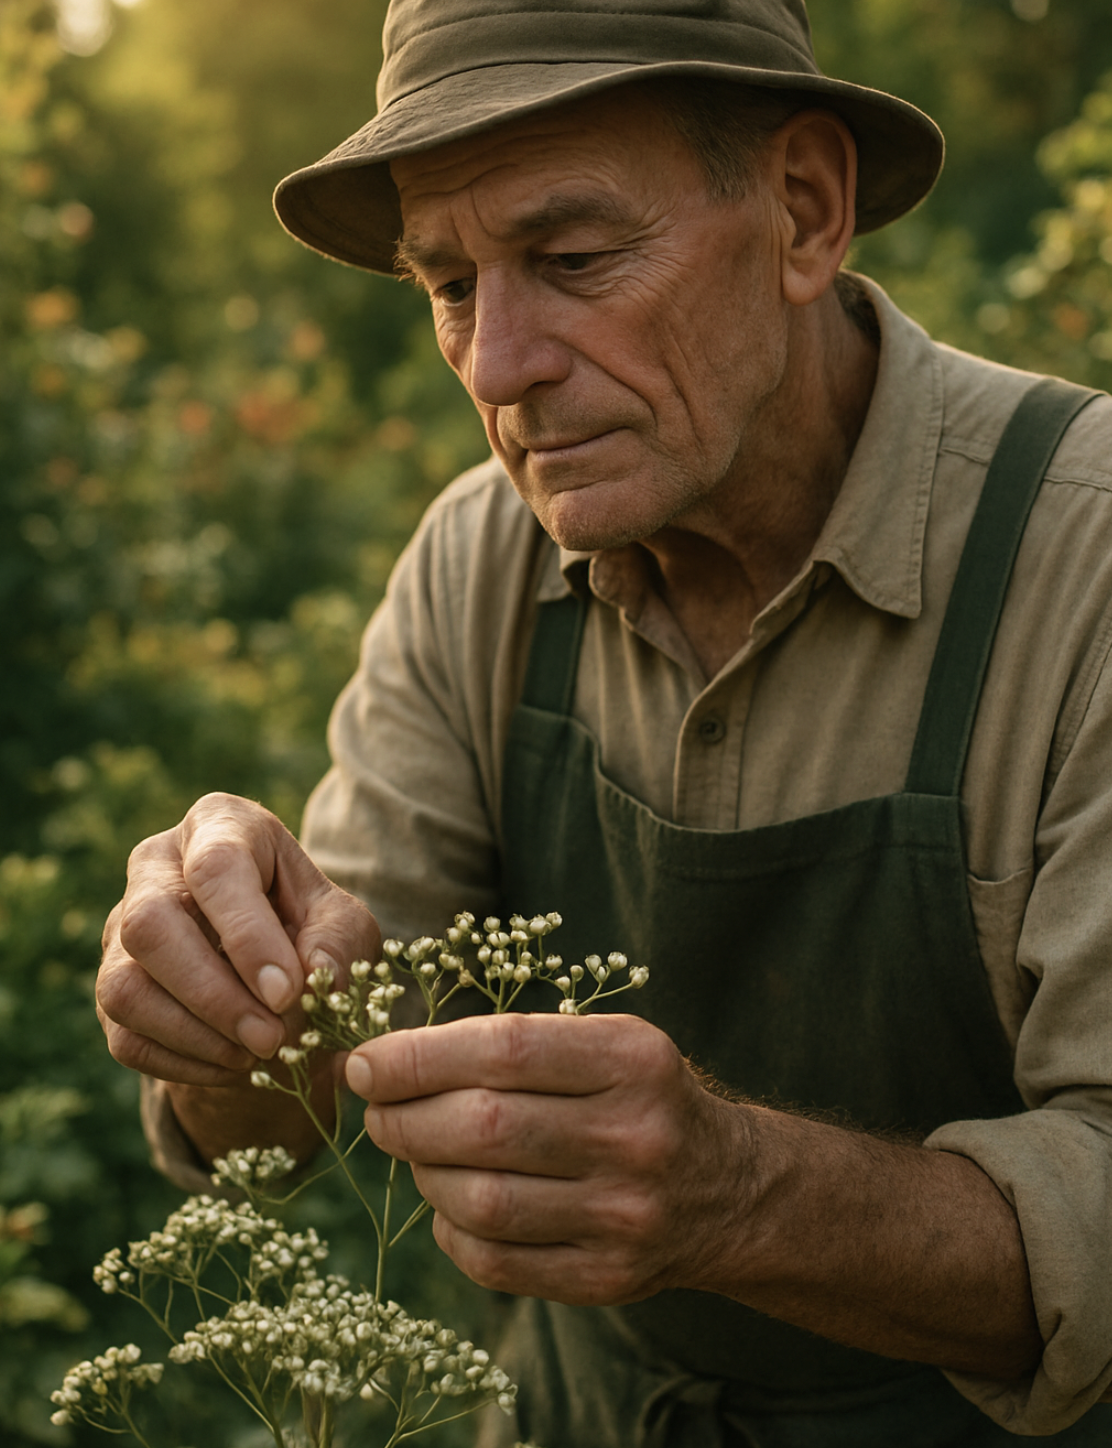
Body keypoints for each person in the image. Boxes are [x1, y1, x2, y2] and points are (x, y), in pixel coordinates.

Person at [95, 1, 1112, 1443]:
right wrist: (226, 1010)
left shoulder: (1082, 562)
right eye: (451, 284)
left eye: (574, 260)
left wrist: (741, 1195)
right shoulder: (477, 565)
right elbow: (303, 1098)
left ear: (804, 210)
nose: (497, 365)